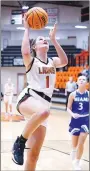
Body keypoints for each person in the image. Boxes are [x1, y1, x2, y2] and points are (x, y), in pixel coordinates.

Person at [12, 13, 68, 171]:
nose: (44, 40)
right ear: (35, 47)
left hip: (44, 105)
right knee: (44, 112)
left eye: (45, 39)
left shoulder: (52, 61)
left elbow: (64, 61)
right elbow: (24, 52)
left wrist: (55, 39)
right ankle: (20, 142)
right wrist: (26, 29)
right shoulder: (32, 61)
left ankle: (23, 146)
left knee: (34, 156)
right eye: (40, 40)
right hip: (29, 98)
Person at [67, 74, 89, 170]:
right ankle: (73, 150)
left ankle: (77, 161)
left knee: (81, 142)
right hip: (75, 120)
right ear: (77, 82)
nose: (81, 80)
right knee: (75, 144)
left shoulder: (88, 94)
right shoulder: (72, 94)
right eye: (79, 79)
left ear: (87, 83)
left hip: (86, 119)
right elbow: (68, 108)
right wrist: (72, 114)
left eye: (83, 79)